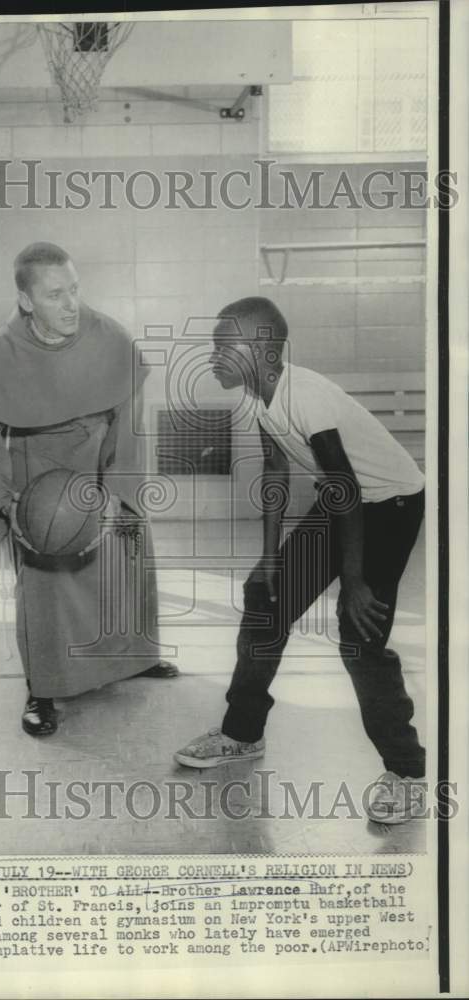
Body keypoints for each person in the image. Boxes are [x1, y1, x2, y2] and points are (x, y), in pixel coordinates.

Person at [174, 297, 426, 825]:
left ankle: (406, 772)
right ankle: (241, 734)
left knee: (359, 634)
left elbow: (346, 487)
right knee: (265, 599)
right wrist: (270, 560)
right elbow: (275, 471)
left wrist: (353, 582)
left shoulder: (305, 395)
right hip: (345, 502)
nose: (213, 356)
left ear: (264, 350)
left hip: (391, 504)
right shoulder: (254, 395)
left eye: (225, 346)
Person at [0, 242, 177, 737]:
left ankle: (135, 659)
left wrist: (119, 491)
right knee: (47, 587)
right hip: (38, 477)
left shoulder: (110, 338)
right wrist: (7, 503)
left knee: (125, 564)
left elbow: (130, 422)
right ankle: (43, 687)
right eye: (55, 295)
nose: (71, 304)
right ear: (26, 301)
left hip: (101, 465)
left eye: (74, 290)